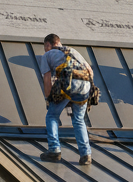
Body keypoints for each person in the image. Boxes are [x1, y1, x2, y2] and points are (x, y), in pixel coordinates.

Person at [39, 33, 93, 165]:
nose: (45, 50)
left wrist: (48, 99)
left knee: (52, 115)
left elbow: (47, 79)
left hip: (69, 83)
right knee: (79, 119)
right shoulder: (73, 51)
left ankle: (54, 150)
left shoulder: (47, 55)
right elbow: (90, 71)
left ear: (48, 44)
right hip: (85, 85)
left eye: (45, 47)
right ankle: (86, 154)